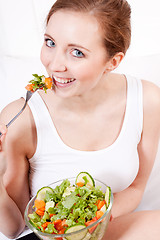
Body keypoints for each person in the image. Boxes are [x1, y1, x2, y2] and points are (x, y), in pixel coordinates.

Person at [0, 0, 160, 239]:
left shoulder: (146, 100)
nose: (54, 65)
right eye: (50, 43)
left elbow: (136, 187)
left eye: (77, 53)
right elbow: (15, 229)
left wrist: (89, 227)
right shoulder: (20, 118)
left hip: (106, 227)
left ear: (113, 61)